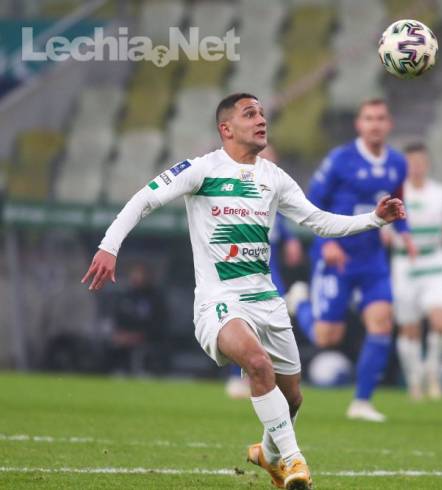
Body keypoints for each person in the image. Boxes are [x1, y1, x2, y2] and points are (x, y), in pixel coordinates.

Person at [81, 93, 407, 490]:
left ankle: (269, 454)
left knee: (293, 398)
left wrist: (375, 218)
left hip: (267, 301)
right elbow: (144, 199)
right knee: (256, 363)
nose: (261, 120)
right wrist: (109, 247)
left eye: (262, 114)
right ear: (227, 128)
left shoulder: (274, 177)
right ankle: (295, 461)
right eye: (250, 114)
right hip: (220, 302)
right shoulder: (201, 169)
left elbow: (320, 222)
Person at [288, 98, 416, 422]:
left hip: (372, 258)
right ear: (359, 124)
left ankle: (361, 402)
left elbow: (397, 201)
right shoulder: (339, 160)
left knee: (382, 322)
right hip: (336, 257)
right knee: (326, 337)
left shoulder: (397, 163)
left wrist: (405, 233)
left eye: (380, 118)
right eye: (369, 118)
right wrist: (325, 242)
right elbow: (311, 204)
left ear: (389, 124)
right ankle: (300, 302)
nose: (375, 124)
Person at [226, 146, 304, 400]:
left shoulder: (274, 191)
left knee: (271, 319)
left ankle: (265, 375)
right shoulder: (237, 186)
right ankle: (237, 375)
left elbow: (280, 220)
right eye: (264, 157)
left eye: (272, 159)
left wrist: (291, 240)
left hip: (270, 268)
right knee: (240, 319)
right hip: (243, 265)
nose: (268, 163)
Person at [389, 143, 442, 400]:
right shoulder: (394, 194)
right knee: (409, 328)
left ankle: (432, 369)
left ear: (427, 164)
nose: (416, 167)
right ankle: (414, 378)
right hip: (405, 263)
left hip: (435, 262)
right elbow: (383, 230)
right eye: (411, 162)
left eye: (420, 162)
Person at [109, 262, 168, 374]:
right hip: (124, 339)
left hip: (148, 339)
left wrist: (138, 336)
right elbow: (117, 318)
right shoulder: (125, 297)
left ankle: (144, 371)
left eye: (140, 274)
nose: (136, 277)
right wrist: (120, 335)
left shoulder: (155, 298)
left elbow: (158, 323)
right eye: (134, 273)